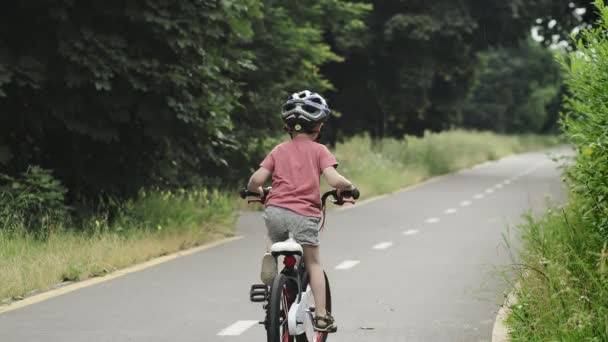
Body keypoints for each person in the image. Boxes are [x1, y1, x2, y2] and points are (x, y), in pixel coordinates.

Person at [247, 90, 354, 332]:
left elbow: (256, 180)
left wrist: (258, 191)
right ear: (318, 126)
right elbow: (333, 179)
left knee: (276, 244)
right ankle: (323, 316)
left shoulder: (278, 150)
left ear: (289, 126)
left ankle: (271, 273)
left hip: (275, 211)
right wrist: (349, 188)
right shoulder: (319, 151)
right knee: (313, 262)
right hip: (305, 214)